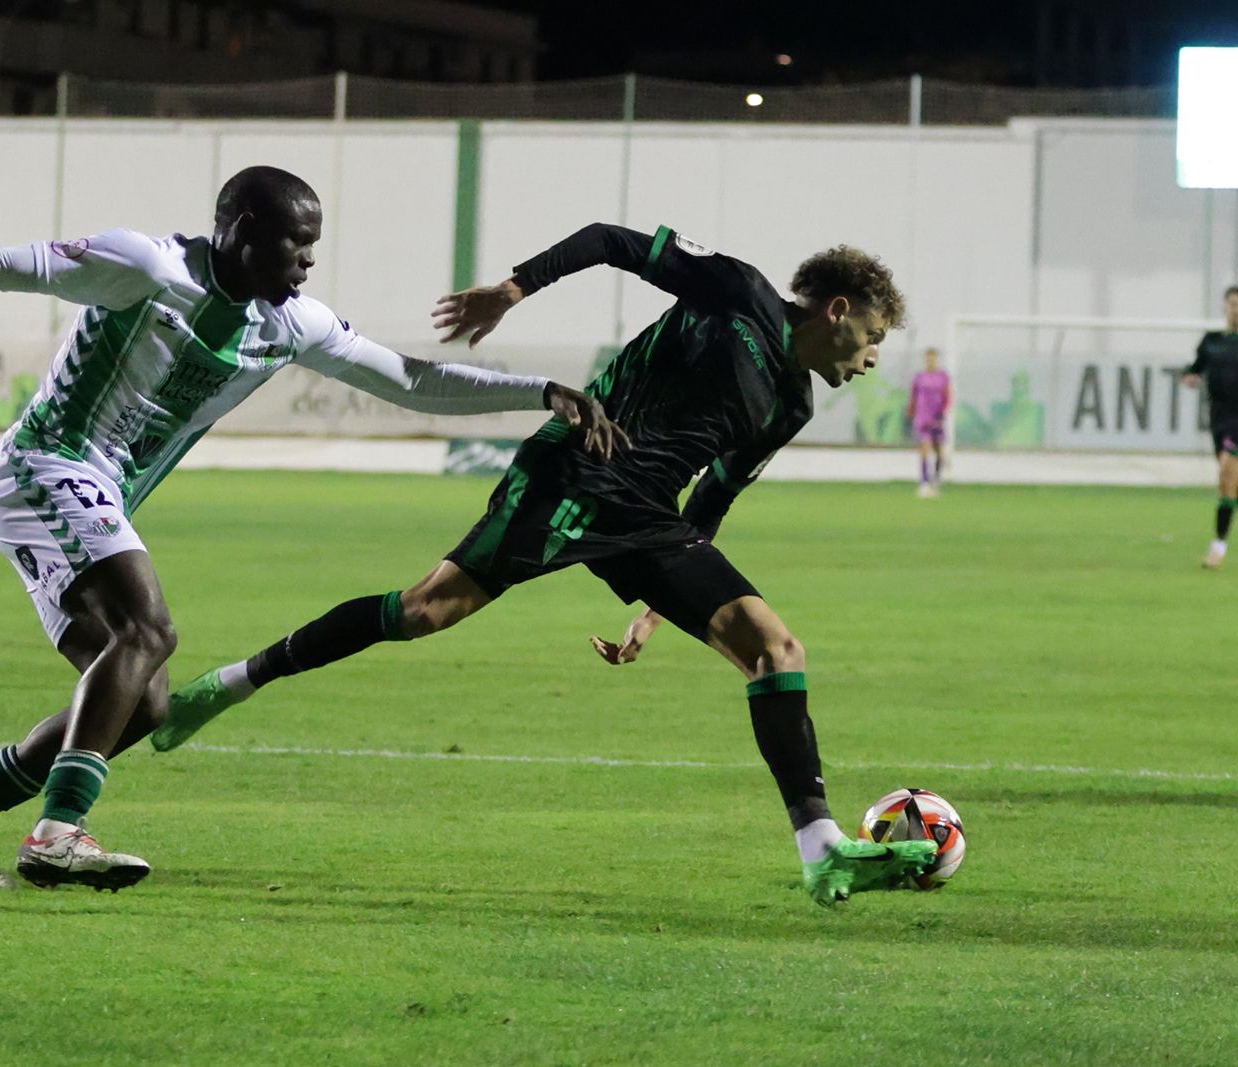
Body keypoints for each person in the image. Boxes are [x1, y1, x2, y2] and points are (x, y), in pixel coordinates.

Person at [0, 165, 617, 892]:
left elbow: (410, 380)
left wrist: (540, 391)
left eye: (315, 243)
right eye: (296, 242)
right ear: (242, 230)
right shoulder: (145, 265)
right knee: (150, 629)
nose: (310, 259)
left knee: (143, 697)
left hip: (88, 495)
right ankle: (59, 832)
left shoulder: (291, 321)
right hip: (44, 466)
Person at [154, 221, 937, 908]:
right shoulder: (739, 291)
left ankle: (821, 846)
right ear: (838, 310)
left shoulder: (792, 405)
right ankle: (230, 683)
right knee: (422, 611)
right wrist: (512, 288)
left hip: (649, 519)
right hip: (579, 469)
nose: (872, 358)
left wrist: (658, 605)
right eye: (872, 338)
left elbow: (716, 497)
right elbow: (610, 241)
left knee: (775, 648)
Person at [1182, 285, 1238, 569]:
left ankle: (1218, 547)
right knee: (1229, 484)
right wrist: (1189, 377)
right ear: (1224, 307)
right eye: (1232, 304)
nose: (1236, 309)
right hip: (1220, 420)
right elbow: (1194, 369)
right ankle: (1220, 543)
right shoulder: (1212, 341)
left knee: (1229, 471)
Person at [906, 347, 951, 497]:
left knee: (939, 452)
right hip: (923, 418)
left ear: (936, 360)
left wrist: (943, 412)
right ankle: (924, 483)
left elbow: (948, 396)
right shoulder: (919, 377)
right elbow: (913, 397)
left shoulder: (943, 376)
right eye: (928, 359)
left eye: (932, 359)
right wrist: (911, 411)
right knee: (925, 449)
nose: (930, 361)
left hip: (937, 418)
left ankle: (935, 481)